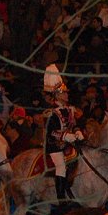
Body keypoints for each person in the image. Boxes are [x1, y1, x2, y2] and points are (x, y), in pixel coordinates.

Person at [42, 64, 84, 203]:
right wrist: (66, 136)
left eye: (66, 92)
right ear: (57, 95)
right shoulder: (51, 112)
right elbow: (51, 131)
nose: (67, 94)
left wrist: (78, 132)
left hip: (69, 144)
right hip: (55, 146)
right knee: (61, 166)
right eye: (64, 93)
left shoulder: (70, 109)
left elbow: (73, 124)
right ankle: (61, 198)